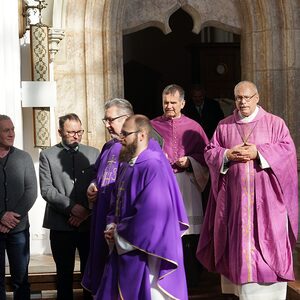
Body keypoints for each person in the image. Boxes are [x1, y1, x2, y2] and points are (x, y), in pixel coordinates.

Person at [197, 81, 298, 300]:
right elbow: (210, 152)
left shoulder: (274, 123)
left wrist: (259, 152)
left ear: (257, 98)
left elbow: (287, 151)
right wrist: (227, 155)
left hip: (268, 203)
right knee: (241, 254)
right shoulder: (224, 125)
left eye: (247, 97)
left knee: (268, 245)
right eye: (238, 98)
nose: (242, 102)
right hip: (236, 204)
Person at [96, 115, 189, 299]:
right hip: (125, 241)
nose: (121, 138)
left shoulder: (152, 165)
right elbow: (117, 202)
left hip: (147, 249)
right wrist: (111, 225)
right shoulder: (126, 165)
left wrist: (118, 233)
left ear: (141, 135)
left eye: (126, 134)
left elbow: (151, 214)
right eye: (122, 133)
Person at [151, 84, 209, 287]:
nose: (169, 106)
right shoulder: (152, 126)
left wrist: (190, 160)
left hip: (186, 184)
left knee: (188, 233)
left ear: (183, 103)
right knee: (165, 230)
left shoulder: (194, 127)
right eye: (166, 102)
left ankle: (191, 277)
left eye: (173, 102)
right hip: (161, 185)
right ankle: (165, 276)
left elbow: (207, 155)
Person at [39, 113, 99, 300]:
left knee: (89, 271)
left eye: (79, 131)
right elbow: (47, 190)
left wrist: (86, 212)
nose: (76, 136)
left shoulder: (93, 153)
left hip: (88, 224)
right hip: (60, 224)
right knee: (64, 273)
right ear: (60, 132)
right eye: (71, 132)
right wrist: (73, 208)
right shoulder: (47, 155)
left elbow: (100, 185)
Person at [82, 98, 134, 296]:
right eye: (105, 120)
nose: (107, 125)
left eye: (110, 119)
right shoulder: (107, 146)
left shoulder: (134, 148)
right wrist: (92, 186)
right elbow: (98, 174)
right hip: (101, 215)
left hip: (119, 218)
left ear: (126, 118)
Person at [0, 115, 37, 300]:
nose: (12, 133)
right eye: (6, 130)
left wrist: (11, 218)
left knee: (21, 279)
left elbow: (31, 191)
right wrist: (0, 216)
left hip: (19, 230)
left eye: (12, 129)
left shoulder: (24, 157)